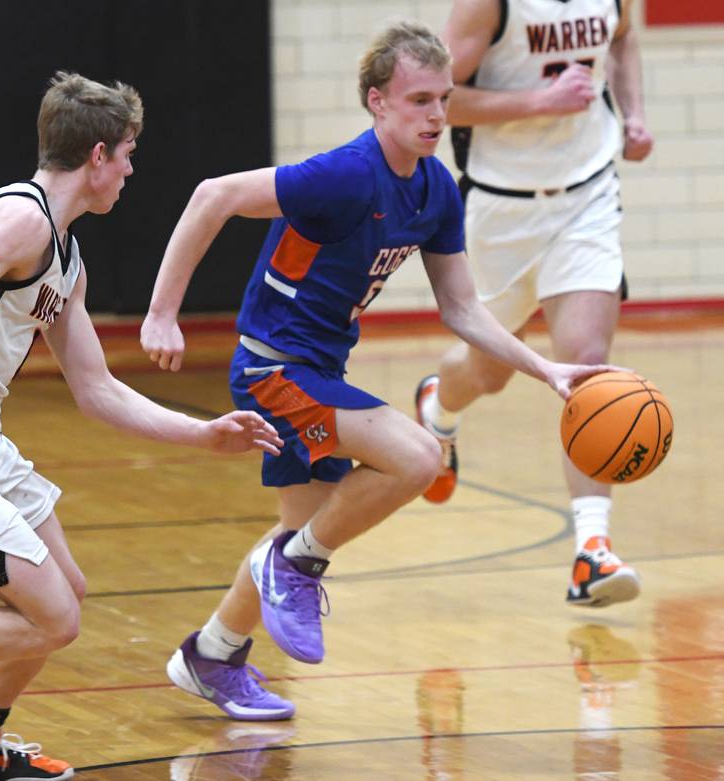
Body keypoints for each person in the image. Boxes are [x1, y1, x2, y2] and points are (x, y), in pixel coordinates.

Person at [141, 20, 613, 721]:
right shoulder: (343, 175)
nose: (435, 115)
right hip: (274, 368)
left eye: (443, 99)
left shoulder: (436, 189)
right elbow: (213, 194)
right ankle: (298, 565)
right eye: (418, 99)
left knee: (295, 532)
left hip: (319, 365)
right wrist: (160, 313)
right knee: (420, 455)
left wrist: (543, 366)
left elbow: (462, 309)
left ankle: (214, 650)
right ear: (377, 102)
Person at [0, 71, 281, 781]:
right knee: (54, 618)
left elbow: (95, 388)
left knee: (66, 591)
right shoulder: (20, 220)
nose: (129, 170)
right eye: (126, 154)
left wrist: (203, 433)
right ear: (96, 157)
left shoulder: (66, 256)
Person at [415, 0, 654, 607]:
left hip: (589, 196)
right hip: (500, 208)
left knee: (587, 362)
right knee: (489, 373)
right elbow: (437, 95)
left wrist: (633, 116)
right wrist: (537, 101)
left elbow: (624, 40)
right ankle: (440, 406)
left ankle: (591, 552)